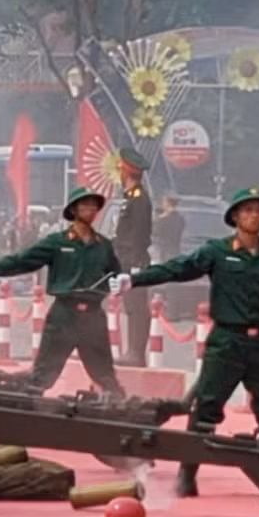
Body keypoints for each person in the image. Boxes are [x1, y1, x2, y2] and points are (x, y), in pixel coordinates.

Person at [116, 187, 259, 500]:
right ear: (235, 217)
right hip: (226, 342)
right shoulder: (217, 251)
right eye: (247, 211)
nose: (254, 216)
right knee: (206, 407)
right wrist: (136, 279)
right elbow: (178, 268)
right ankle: (187, 476)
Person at [0, 186, 124, 395]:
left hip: (93, 317)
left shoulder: (103, 245)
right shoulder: (57, 243)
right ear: (74, 210)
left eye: (94, 206)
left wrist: (120, 281)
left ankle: (123, 417)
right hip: (64, 316)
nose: (91, 210)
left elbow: (115, 274)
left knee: (106, 378)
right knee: (41, 378)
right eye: (85, 205)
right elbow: (21, 261)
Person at [113, 149, 154, 364]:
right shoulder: (129, 197)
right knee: (130, 307)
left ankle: (136, 353)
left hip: (134, 261)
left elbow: (139, 234)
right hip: (126, 259)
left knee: (137, 307)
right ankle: (132, 351)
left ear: (126, 170)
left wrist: (135, 263)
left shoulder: (139, 199)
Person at [154, 195, 185, 261]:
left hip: (166, 251)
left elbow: (156, 232)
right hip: (174, 250)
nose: (162, 205)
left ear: (168, 203)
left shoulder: (166, 219)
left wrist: (159, 219)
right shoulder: (180, 219)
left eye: (164, 202)